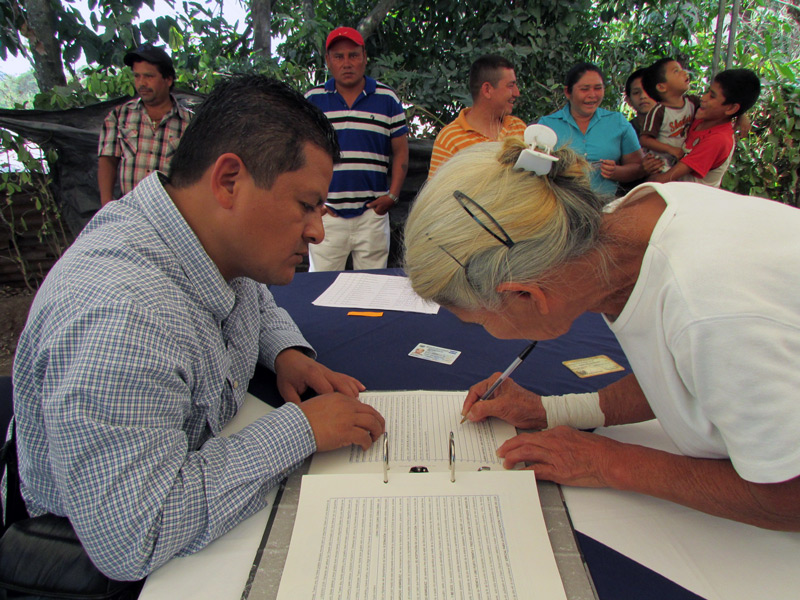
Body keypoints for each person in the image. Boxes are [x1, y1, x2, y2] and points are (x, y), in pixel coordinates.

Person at [10, 75, 386, 581]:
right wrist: (303, 430)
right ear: (229, 180)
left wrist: (286, 354)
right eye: (306, 205)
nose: (319, 229)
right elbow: (135, 536)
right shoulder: (122, 319)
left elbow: (249, 294)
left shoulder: (200, 235)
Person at [402, 138, 800, 531]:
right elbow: (689, 376)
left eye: (476, 322)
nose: (483, 333)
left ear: (525, 294)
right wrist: (554, 412)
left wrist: (609, 462)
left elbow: (787, 495)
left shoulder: (709, 311)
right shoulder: (626, 226)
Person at [304, 26, 409, 271]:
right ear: (328, 61)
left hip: (372, 215)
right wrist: (313, 201)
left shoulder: (387, 98)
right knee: (322, 287)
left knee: (372, 289)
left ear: (364, 56)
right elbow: (299, 155)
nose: (347, 63)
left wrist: (392, 196)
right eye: (339, 57)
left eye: (353, 55)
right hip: (326, 215)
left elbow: (401, 152)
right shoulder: (312, 100)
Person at [97, 43, 192, 206]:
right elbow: (108, 160)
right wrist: (106, 204)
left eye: (148, 76)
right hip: (130, 212)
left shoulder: (189, 122)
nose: (142, 83)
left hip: (172, 212)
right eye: (137, 76)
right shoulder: (119, 116)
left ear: (168, 79)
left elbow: (196, 172)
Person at [538, 62, 643, 197]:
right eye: (584, 89)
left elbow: (639, 167)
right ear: (567, 92)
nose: (592, 95)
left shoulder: (617, 122)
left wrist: (616, 172)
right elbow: (533, 171)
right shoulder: (547, 125)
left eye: (598, 88)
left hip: (605, 209)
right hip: (560, 209)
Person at [646, 69, 761, 187]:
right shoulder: (701, 116)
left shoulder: (718, 139)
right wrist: (740, 114)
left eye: (712, 96)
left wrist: (646, 177)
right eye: (707, 91)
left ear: (731, 109)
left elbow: (666, 178)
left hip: (691, 200)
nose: (703, 98)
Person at [428, 55, 526, 178]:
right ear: (487, 90)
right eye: (510, 86)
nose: (517, 93)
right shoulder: (449, 139)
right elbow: (438, 194)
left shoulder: (519, 128)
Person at [639, 58, 700, 171]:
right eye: (676, 71)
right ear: (662, 87)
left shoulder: (693, 102)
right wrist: (670, 149)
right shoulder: (659, 111)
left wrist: (740, 116)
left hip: (683, 160)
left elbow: (716, 107)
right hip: (661, 164)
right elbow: (645, 139)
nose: (684, 72)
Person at [624, 68, 656, 135]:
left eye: (648, 90)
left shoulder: (675, 128)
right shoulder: (624, 133)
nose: (643, 96)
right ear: (629, 101)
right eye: (636, 92)